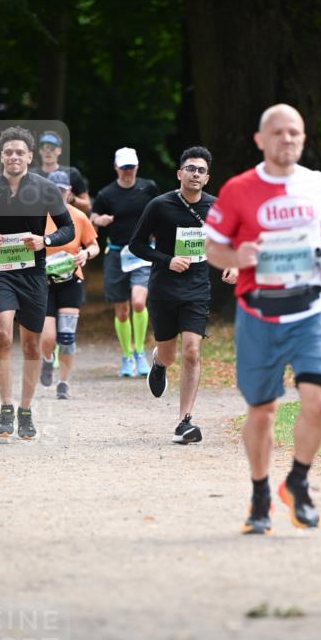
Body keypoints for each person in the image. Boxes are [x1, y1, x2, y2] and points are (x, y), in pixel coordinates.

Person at [205, 104, 321, 534]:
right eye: (279, 133)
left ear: (303, 139)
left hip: (310, 309)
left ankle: (298, 482)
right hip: (259, 313)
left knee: (317, 400)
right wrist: (235, 256)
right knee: (262, 411)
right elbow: (213, 249)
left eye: (295, 133)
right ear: (260, 140)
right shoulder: (236, 189)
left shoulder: (318, 184)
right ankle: (260, 493)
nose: (288, 139)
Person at [0, 126, 75, 439]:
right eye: (9, 152)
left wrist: (45, 240)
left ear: (29, 156)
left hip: (33, 275)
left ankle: (25, 410)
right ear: (1, 156)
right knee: (2, 336)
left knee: (30, 344)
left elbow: (67, 229)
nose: (14, 156)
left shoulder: (45, 189)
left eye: (20, 152)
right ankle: (5, 406)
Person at [129, 146, 237, 444]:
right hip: (164, 287)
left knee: (192, 351)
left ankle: (184, 421)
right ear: (180, 173)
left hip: (197, 289)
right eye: (190, 169)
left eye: (201, 171)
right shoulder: (159, 205)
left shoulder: (217, 208)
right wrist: (167, 260)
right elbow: (136, 245)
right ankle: (159, 363)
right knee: (169, 353)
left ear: (207, 178)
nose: (195, 174)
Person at [91, 147, 158, 378]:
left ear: (137, 167)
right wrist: (100, 219)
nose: (128, 172)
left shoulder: (148, 187)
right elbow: (93, 217)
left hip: (142, 252)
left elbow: (160, 212)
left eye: (131, 167)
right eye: (124, 168)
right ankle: (126, 354)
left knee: (139, 302)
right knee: (121, 311)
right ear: (116, 168)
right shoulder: (106, 194)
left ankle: (140, 352)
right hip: (117, 253)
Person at [39, 170, 100, 399]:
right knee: (46, 337)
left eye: (62, 191)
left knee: (66, 337)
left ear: (69, 192)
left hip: (71, 280)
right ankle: (47, 359)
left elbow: (94, 245)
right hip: (43, 282)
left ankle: (63, 382)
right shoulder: (37, 216)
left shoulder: (78, 216)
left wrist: (86, 254)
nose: (58, 195)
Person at [32, 130, 91, 213]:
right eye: (44, 147)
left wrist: (72, 199)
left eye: (52, 147)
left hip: (65, 223)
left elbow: (87, 206)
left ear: (59, 150)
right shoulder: (31, 175)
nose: (48, 151)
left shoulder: (72, 173)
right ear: (40, 151)